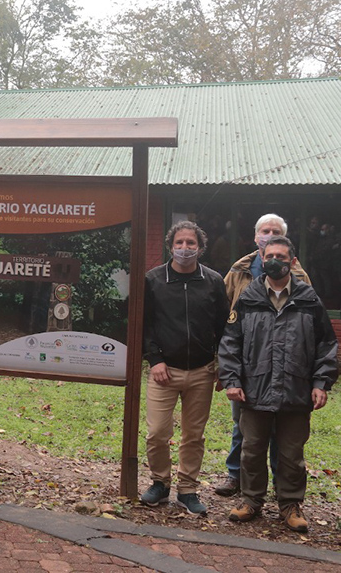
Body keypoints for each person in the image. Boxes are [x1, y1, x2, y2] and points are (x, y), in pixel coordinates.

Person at [218, 235, 337, 532]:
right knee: (252, 449)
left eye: (282, 258)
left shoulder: (309, 300)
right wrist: (231, 379)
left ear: (292, 262)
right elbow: (230, 342)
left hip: (296, 391)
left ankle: (290, 505)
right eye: (270, 255)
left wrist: (321, 383)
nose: (275, 262)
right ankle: (250, 500)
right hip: (254, 389)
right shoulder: (249, 297)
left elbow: (326, 345)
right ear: (261, 255)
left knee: (291, 455)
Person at [214, 213, 310, 497]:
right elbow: (222, 316)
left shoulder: (300, 275)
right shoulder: (238, 270)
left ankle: (283, 486)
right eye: (264, 231)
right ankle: (236, 476)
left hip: (285, 363)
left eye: (275, 231)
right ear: (256, 237)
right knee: (243, 426)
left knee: (284, 432)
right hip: (246, 363)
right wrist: (224, 365)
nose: (269, 234)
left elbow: (309, 323)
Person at [139, 221, 229, 516]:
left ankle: (187, 489)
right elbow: (145, 324)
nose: (185, 248)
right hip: (165, 371)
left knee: (194, 435)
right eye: (179, 242)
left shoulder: (214, 281)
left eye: (191, 243)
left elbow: (224, 326)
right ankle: (160, 483)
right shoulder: (153, 280)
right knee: (157, 433)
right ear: (170, 246)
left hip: (202, 371)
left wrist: (221, 365)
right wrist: (155, 359)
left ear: (200, 248)